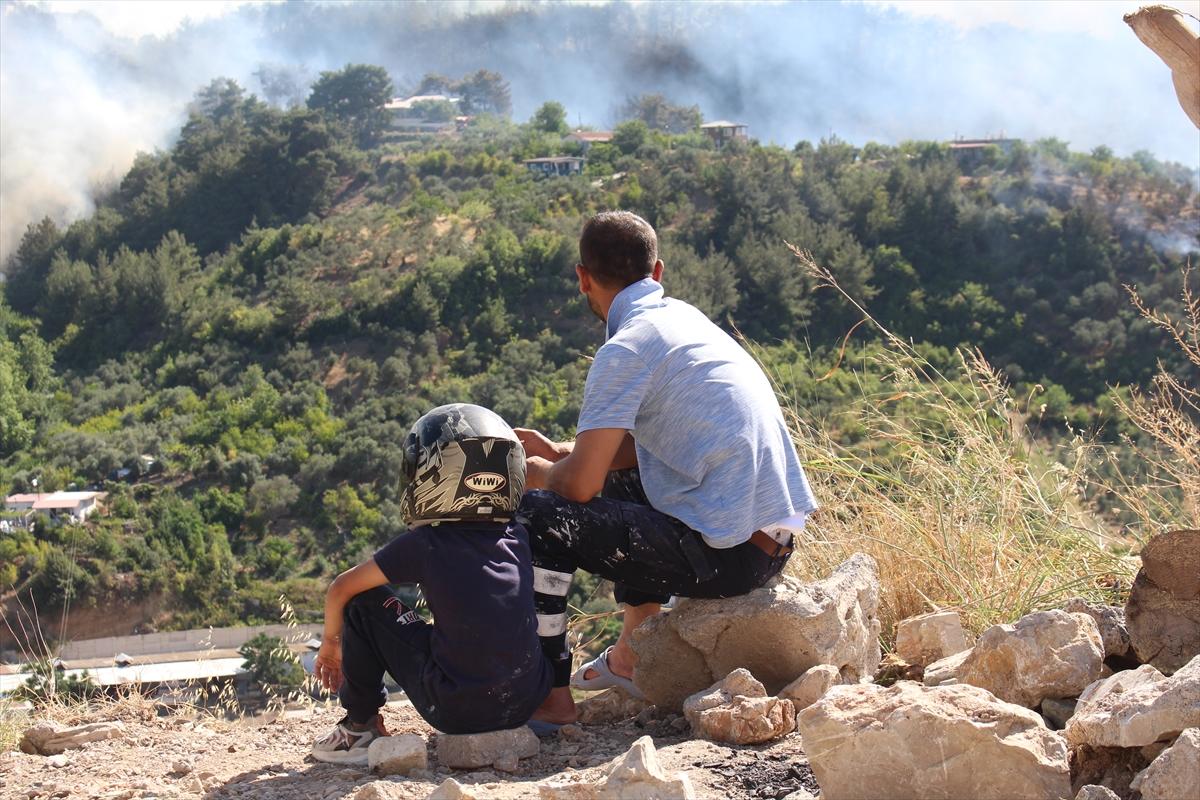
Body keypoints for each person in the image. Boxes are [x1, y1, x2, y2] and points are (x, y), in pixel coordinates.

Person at [516, 210, 818, 726]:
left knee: (537, 512)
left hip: (731, 557)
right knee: (620, 481)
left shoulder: (624, 349)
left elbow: (582, 487)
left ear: (582, 278)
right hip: (771, 543)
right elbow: (638, 451)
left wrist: (537, 470)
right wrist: (565, 452)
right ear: (657, 272)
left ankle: (548, 693)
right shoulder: (684, 321)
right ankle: (634, 657)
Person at [311, 403, 552, 764]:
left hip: (456, 710)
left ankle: (360, 727)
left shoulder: (427, 543)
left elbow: (341, 589)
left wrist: (330, 646)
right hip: (526, 701)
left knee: (363, 603)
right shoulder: (517, 534)